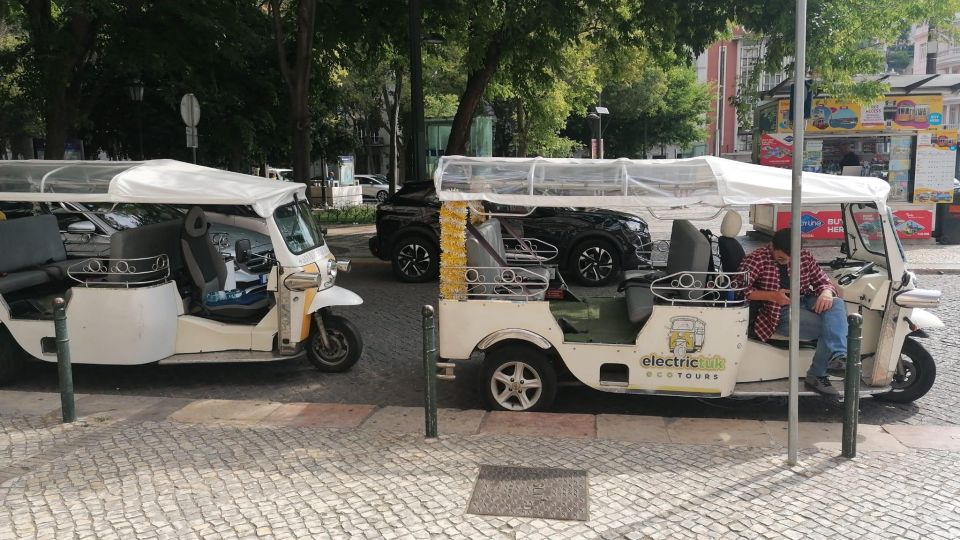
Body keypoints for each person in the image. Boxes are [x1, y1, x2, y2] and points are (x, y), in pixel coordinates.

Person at [737, 228, 847, 395]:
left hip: (804, 301)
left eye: (791, 259)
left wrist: (826, 292)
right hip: (777, 312)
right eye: (781, 258)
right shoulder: (756, 259)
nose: (786, 262)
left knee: (836, 304)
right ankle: (818, 373)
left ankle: (838, 356)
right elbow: (737, 290)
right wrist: (772, 296)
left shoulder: (805, 256)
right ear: (772, 246)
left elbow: (823, 280)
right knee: (834, 327)